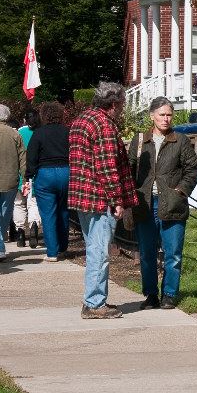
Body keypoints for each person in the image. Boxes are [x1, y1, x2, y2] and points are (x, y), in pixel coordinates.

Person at [67, 82, 139, 318]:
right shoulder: (104, 125)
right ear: (115, 103)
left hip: (81, 196)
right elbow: (107, 168)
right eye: (122, 104)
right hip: (99, 198)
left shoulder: (81, 121)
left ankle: (93, 300)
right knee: (99, 252)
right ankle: (95, 303)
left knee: (93, 249)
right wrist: (117, 199)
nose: (122, 108)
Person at [128, 97, 197, 309]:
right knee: (147, 254)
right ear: (152, 116)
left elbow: (191, 170)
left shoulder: (181, 141)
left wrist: (180, 191)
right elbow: (129, 169)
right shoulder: (140, 140)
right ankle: (150, 294)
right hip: (145, 204)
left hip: (172, 203)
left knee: (173, 253)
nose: (166, 119)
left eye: (169, 114)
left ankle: (169, 293)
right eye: (161, 115)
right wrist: (132, 194)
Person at [25, 102, 71, 262]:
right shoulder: (68, 132)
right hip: (66, 172)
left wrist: (28, 176)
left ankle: (52, 252)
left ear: (44, 116)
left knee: (48, 214)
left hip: (45, 174)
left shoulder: (38, 133)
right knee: (64, 211)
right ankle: (63, 247)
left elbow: (31, 157)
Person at [0, 104, 27, 260]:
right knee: (4, 214)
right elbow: (23, 158)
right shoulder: (14, 134)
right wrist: (25, 178)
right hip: (10, 180)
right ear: (7, 117)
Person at [16, 109, 42, 248]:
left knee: (18, 203)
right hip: (35, 173)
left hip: (21, 173)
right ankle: (33, 225)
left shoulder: (19, 132)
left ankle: (20, 231)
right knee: (34, 203)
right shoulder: (42, 132)